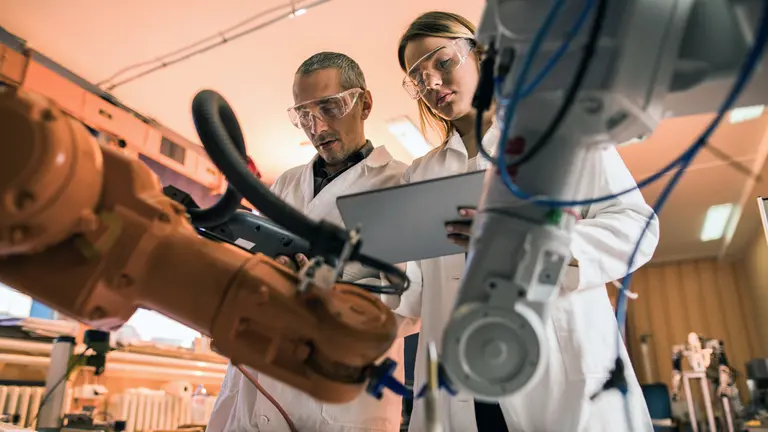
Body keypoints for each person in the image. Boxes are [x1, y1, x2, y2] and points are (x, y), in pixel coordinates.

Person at [387, 11, 661, 432]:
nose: (432, 85)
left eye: (442, 63)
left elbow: (634, 225)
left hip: (561, 378)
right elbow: (416, 293)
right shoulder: (421, 174)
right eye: (418, 79)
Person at [208, 51, 417, 432]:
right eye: (303, 114)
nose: (316, 127)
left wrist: (334, 297)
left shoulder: (401, 184)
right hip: (257, 380)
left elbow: (414, 303)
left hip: (338, 395)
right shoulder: (286, 182)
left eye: (329, 107)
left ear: (364, 103)